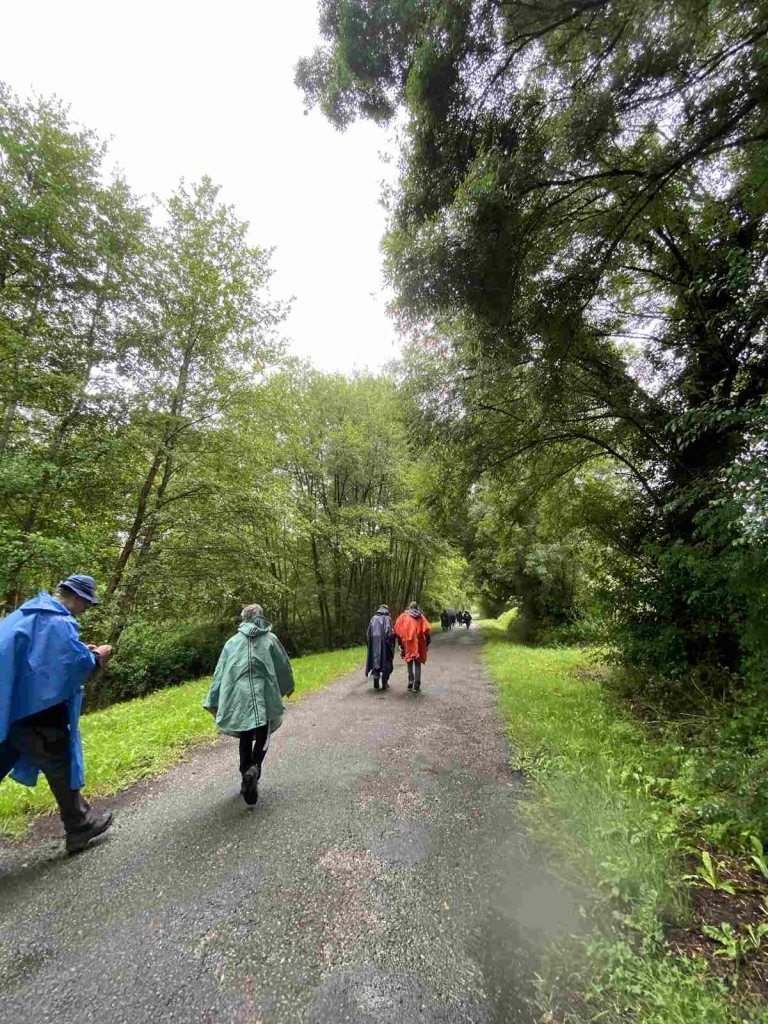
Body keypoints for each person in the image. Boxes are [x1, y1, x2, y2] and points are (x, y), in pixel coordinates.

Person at [0, 574, 114, 854]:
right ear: (75, 597)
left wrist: (79, 650)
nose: (86, 610)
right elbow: (74, 666)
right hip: (37, 714)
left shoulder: (24, 614)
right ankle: (80, 827)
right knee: (60, 766)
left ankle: (80, 822)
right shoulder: (59, 622)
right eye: (86, 603)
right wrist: (97, 656)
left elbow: (37, 658)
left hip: (10, 710)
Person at [204, 604, 294, 806]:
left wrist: (213, 700)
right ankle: (255, 768)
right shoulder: (270, 639)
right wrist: (288, 685)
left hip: (240, 698)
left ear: (244, 619)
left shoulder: (232, 642)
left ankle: (245, 771)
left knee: (245, 735)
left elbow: (220, 672)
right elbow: (283, 664)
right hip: (264, 696)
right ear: (261, 617)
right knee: (264, 733)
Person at [394, 601, 432, 693]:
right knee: (417, 664)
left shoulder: (403, 617)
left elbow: (397, 631)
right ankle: (416, 686)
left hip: (408, 644)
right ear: (417, 608)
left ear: (409, 607)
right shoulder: (421, 617)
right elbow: (427, 632)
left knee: (409, 662)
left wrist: (400, 645)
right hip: (419, 644)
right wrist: (427, 644)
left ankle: (410, 682)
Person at [365, 604, 395, 691]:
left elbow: (368, 634)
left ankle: (376, 682)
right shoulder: (388, 618)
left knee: (375, 662)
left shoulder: (373, 618)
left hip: (374, 645)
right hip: (385, 646)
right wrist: (391, 645)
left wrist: (369, 645)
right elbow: (389, 634)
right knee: (386, 663)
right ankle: (384, 683)